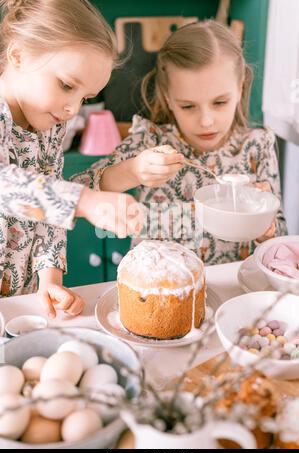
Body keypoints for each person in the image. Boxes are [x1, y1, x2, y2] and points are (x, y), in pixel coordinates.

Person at [72, 20, 287, 265]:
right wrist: (131, 171)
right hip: (158, 288)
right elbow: (77, 188)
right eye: (188, 106)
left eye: (220, 103)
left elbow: (280, 242)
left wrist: (264, 227)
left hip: (234, 292)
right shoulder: (150, 140)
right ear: (169, 98)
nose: (206, 121)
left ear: (239, 89)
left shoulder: (257, 146)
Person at [0, 0, 141, 317]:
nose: (73, 109)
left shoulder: (50, 128)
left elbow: (48, 214)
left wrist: (49, 278)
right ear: (18, 55)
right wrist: (86, 201)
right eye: (66, 85)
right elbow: (5, 186)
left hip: (15, 304)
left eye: (85, 97)